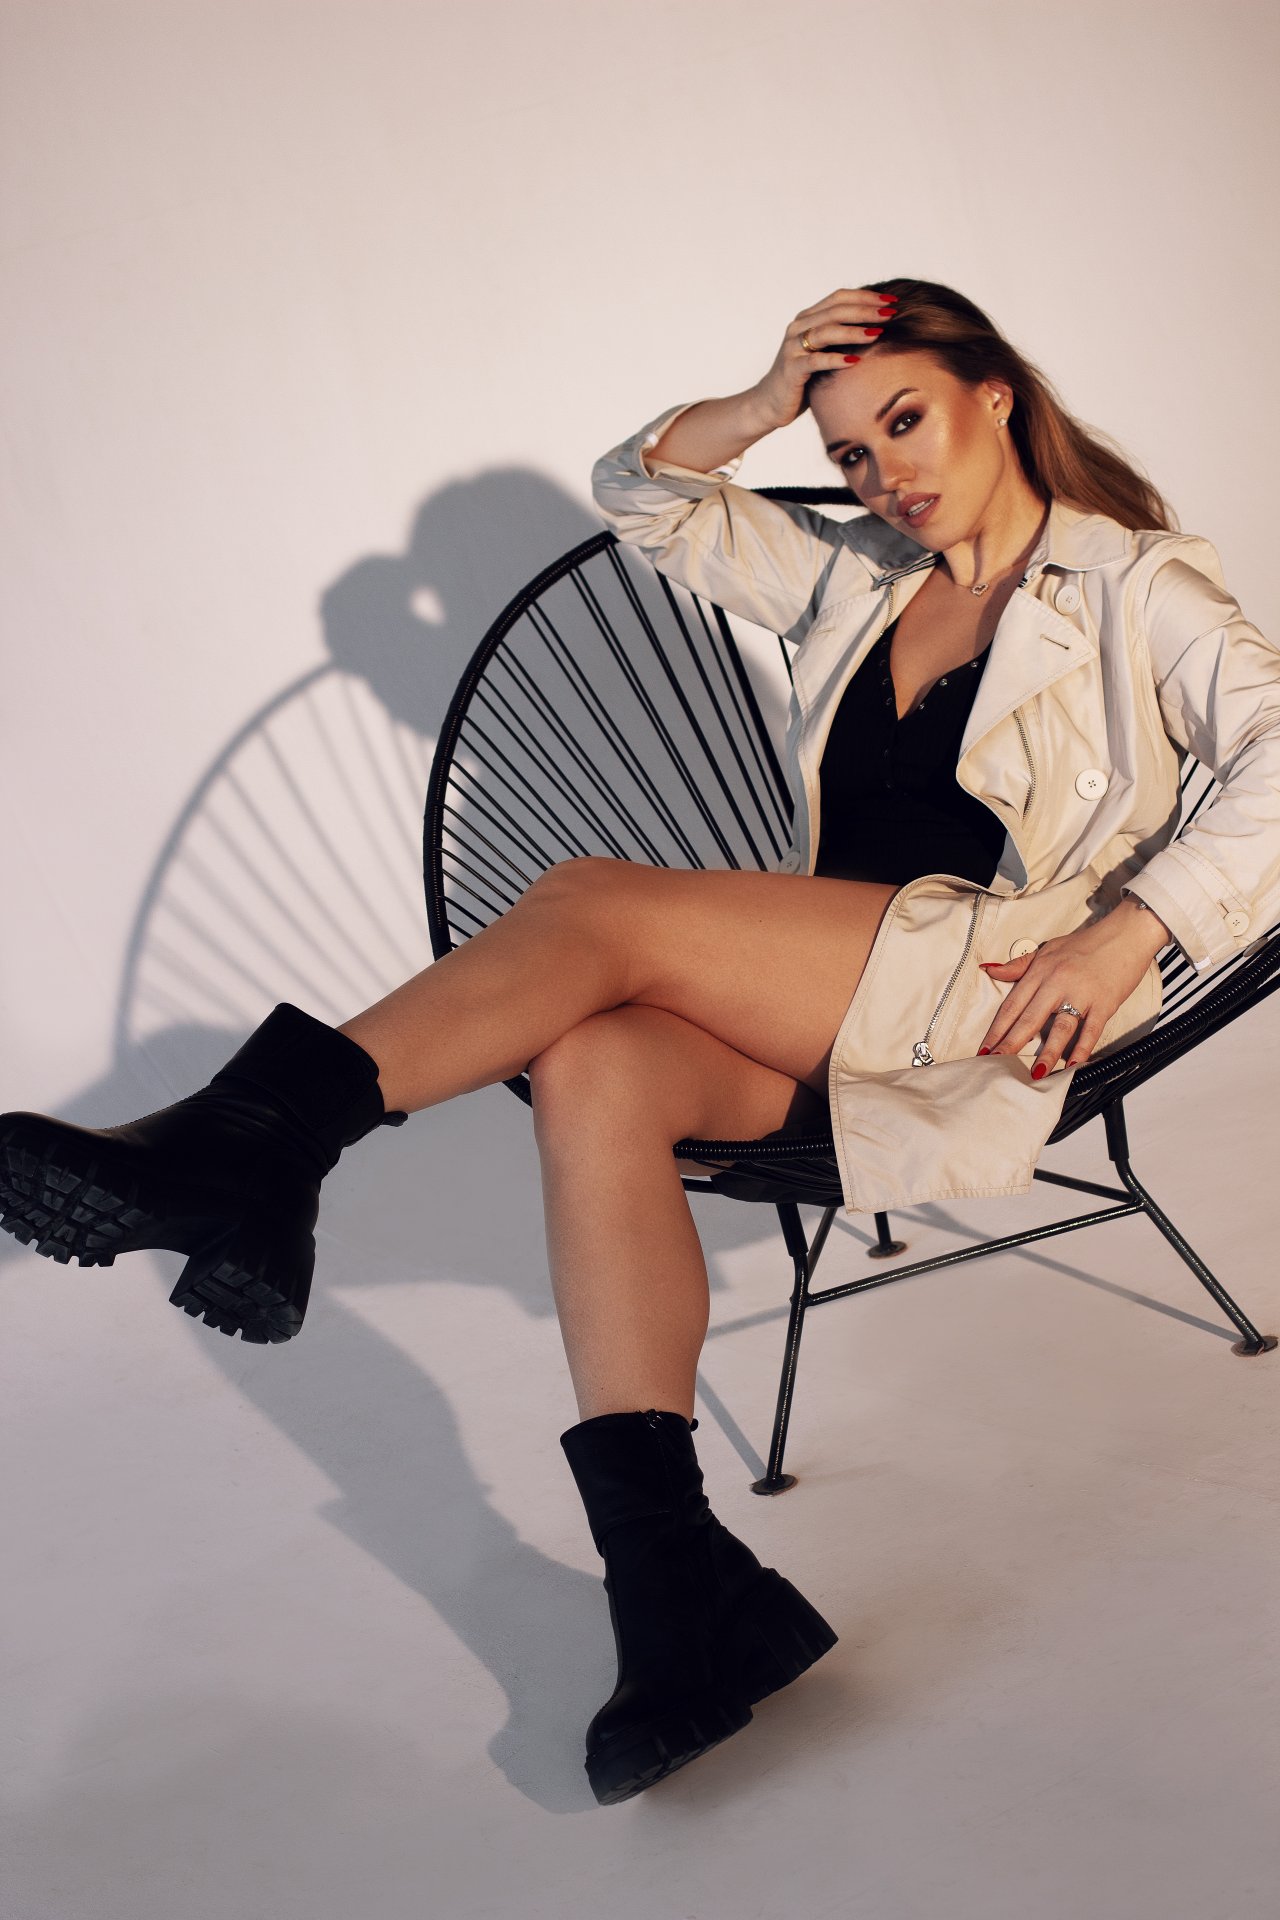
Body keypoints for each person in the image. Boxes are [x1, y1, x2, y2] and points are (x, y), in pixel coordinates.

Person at [4, 279, 1278, 1806]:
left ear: (993, 392)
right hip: (842, 1003)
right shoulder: (861, 577)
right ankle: (677, 1587)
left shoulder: (1133, 586)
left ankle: (251, 1151)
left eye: (906, 421)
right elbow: (647, 498)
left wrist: (1130, 931)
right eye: (851, 451)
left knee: (590, 902)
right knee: (597, 1061)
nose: (884, 473)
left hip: (988, 996)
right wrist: (764, 403)